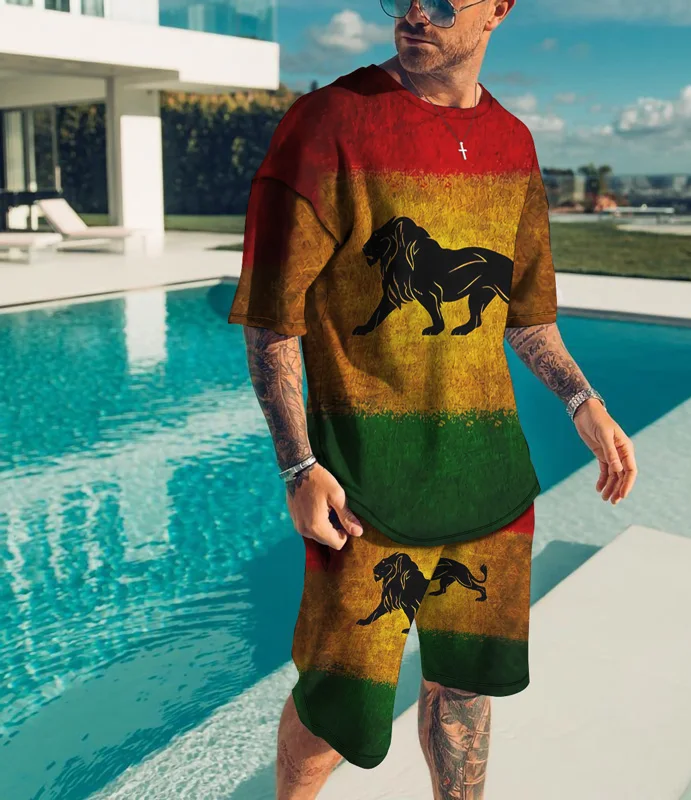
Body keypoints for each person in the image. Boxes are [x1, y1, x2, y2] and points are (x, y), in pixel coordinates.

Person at [227, 0, 638, 796]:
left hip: (489, 486)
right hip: (363, 495)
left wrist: (582, 400)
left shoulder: (512, 144)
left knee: (464, 694)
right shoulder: (328, 125)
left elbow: (526, 316)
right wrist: (298, 465)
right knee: (334, 715)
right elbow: (273, 321)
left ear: (498, 11)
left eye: (445, 0)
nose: (417, 12)